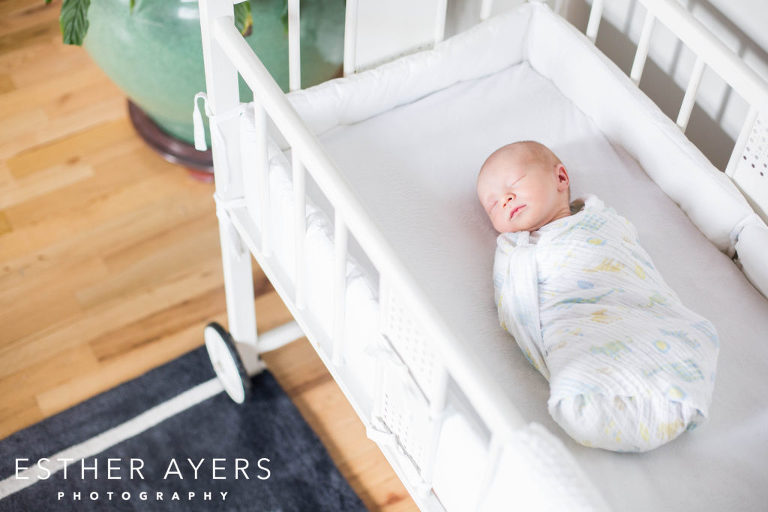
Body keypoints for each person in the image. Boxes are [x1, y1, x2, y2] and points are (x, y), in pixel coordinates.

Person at [477, 141, 719, 452]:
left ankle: (667, 381)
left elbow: (633, 264)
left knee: (688, 335)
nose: (506, 199)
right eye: (493, 204)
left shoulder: (601, 220)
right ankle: (617, 401)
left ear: (560, 178)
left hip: (632, 308)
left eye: (515, 183)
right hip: (576, 324)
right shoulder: (516, 254)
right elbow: (513, 302)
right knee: (577, 374)